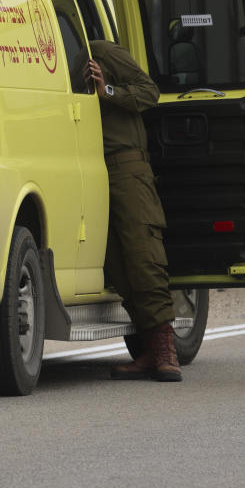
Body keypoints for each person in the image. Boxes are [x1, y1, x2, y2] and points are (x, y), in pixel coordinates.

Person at [83, 40, 180, 382]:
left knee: (143, 256)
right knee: (115, 265)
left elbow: (148, 91)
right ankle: (149, 353)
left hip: (125, 167)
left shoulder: (100, 51)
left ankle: (166, 353)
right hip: (84, 168)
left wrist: (107, 89)